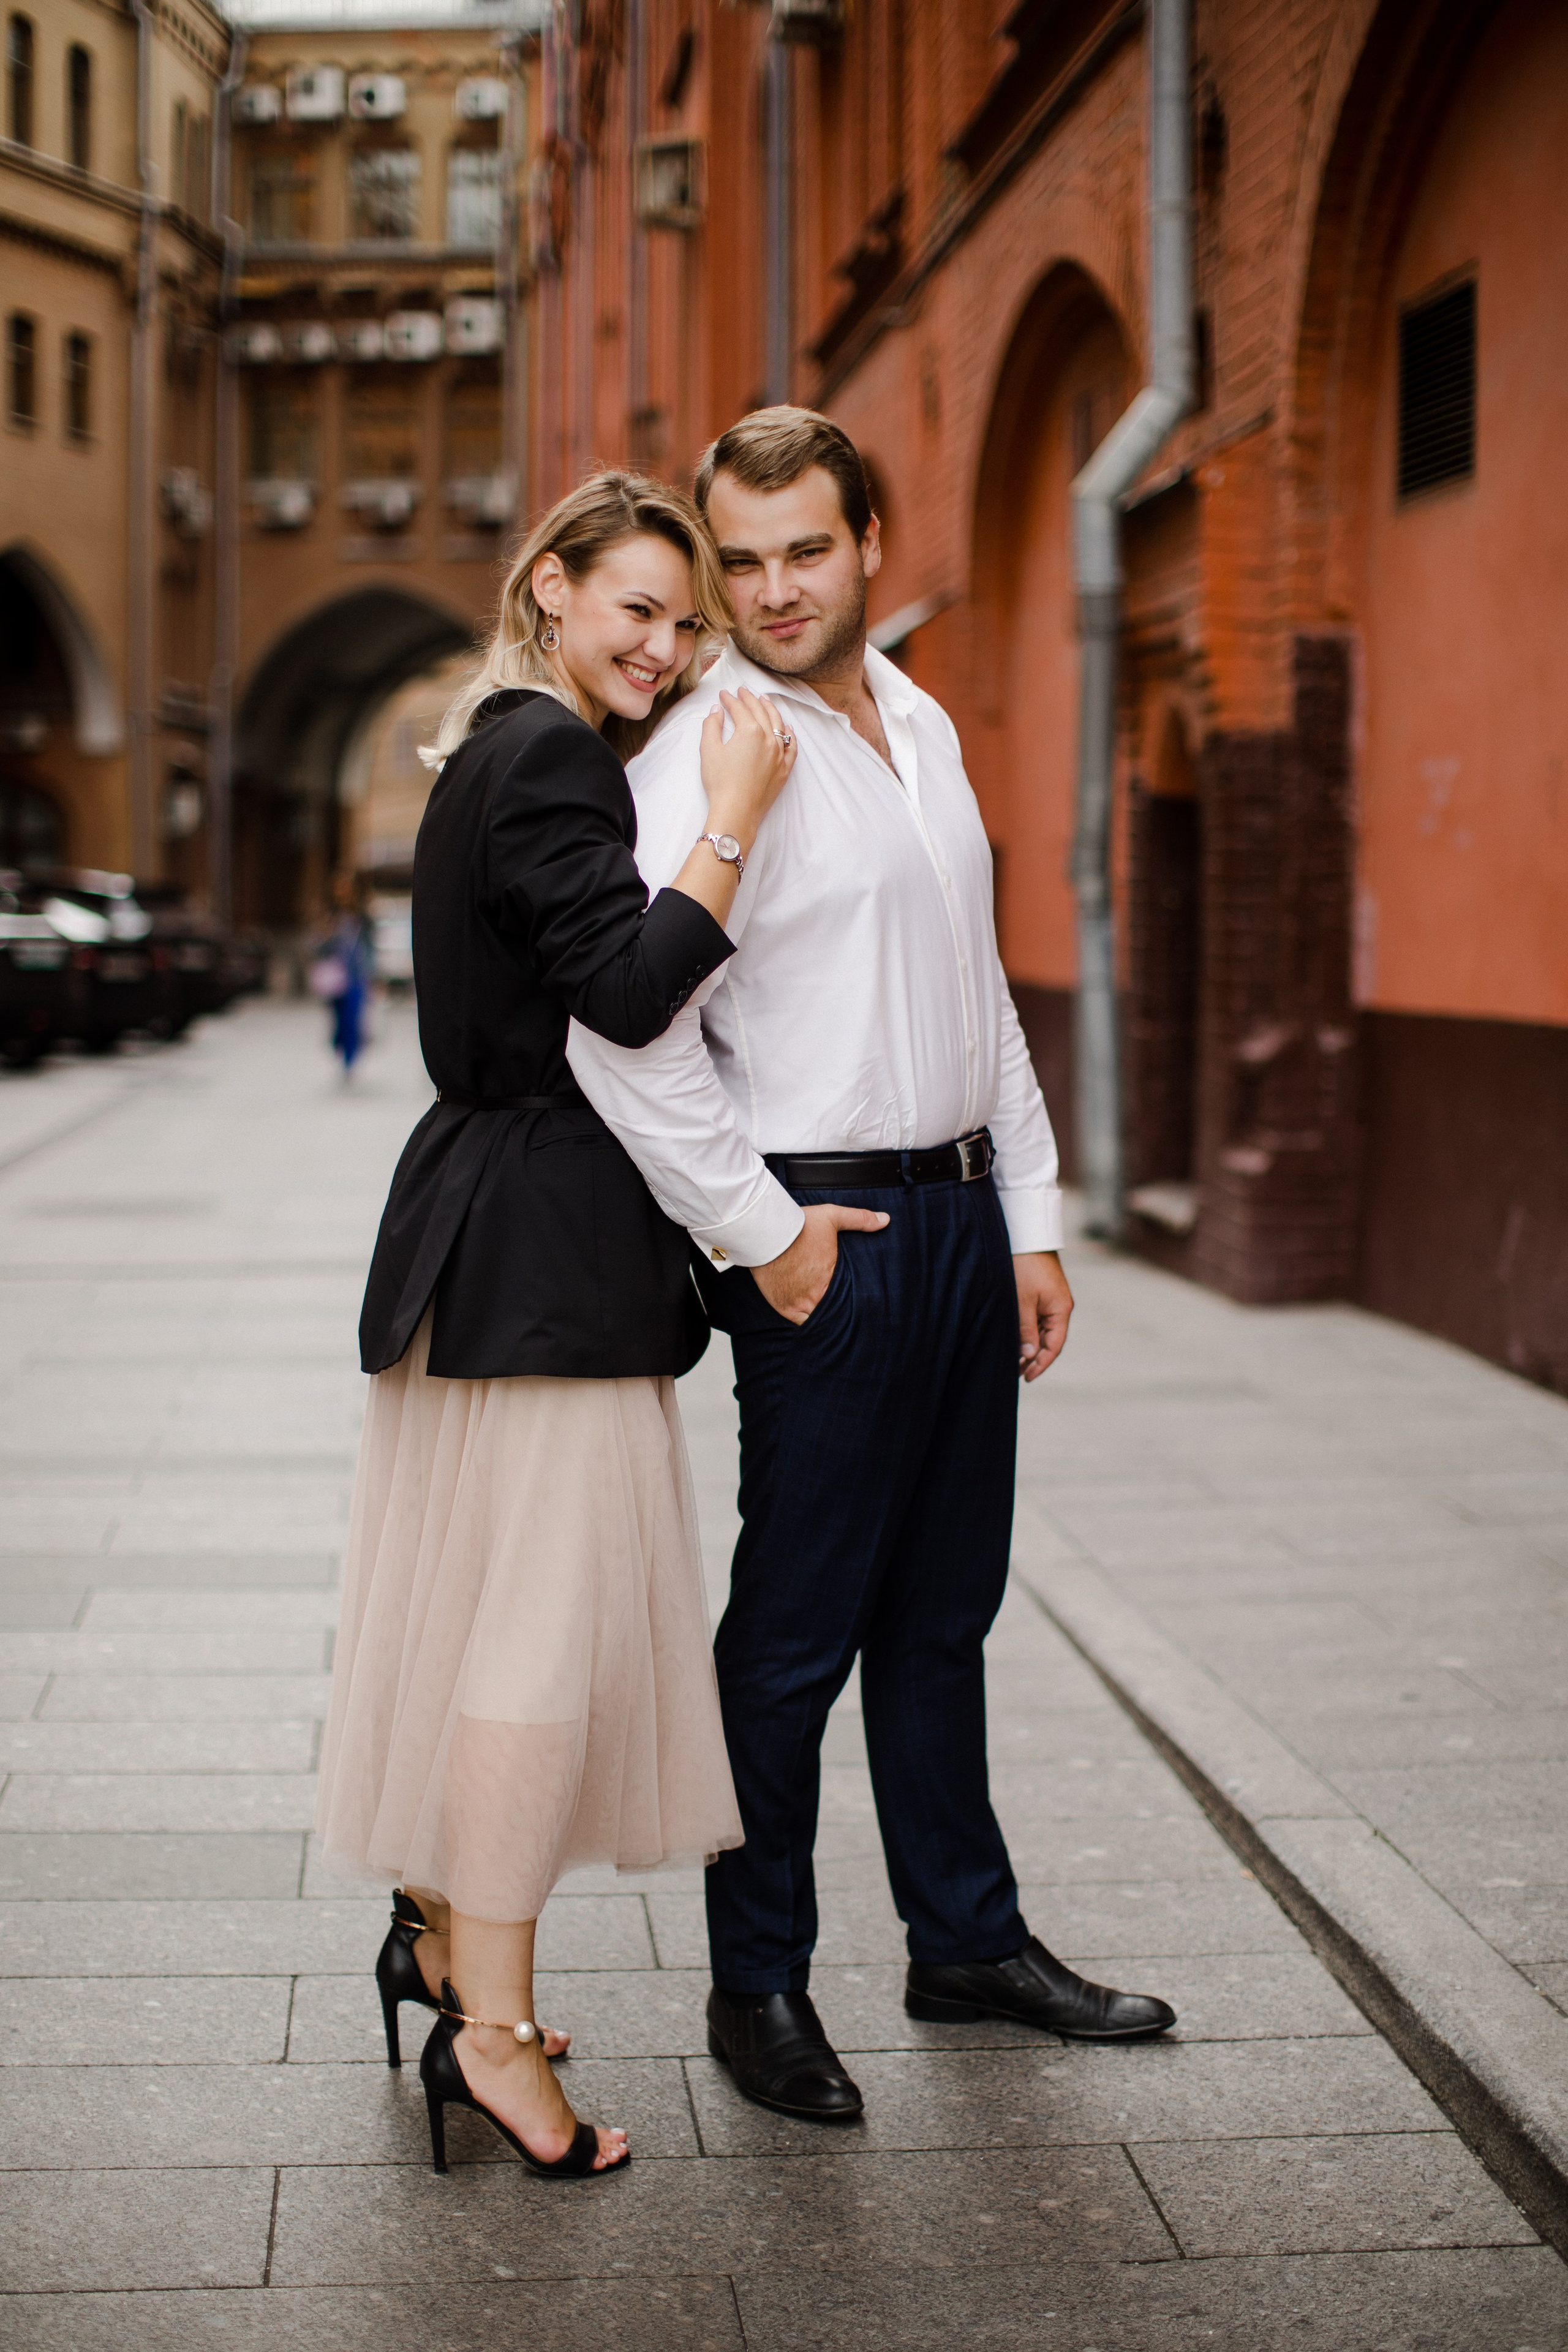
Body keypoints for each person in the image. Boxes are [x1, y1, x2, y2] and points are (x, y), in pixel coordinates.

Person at [568, 410, 1177, 2123]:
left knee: (944, 1613)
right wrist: (758, 1237)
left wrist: (1034, 1213)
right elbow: (625, 1036)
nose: (769, 591)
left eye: (804, 551)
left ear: (870, 542)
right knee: (792, 1637)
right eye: (737, 560)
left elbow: (974, 983)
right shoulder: (706, 748)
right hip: (827, 1235)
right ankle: (757, 1984)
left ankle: (963, 1942)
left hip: (966, 1225)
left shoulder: (919, 719)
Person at [314, 470, 797, 2179]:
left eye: (686, 621)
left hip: (494, 1230)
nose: (664, 648)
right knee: (535, 1651)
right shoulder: (550, 752)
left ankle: (446, 1937)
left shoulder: (496, 744)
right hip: (542, 1252)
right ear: (553, 588)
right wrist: (730, 817)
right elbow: (629, 987)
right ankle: (493, 2040)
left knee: (481, 1623)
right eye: (637, 611)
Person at [312, 875, 372, 1074]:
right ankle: (341, 1048)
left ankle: (351, 1059)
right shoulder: (331, 916)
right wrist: (327, 936)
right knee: (339, 1021)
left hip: (357, 975)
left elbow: (369, 947)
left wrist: (373, 974)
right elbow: (318, 946)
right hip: (336, 978)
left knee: (352, 1019)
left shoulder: (363, 918)